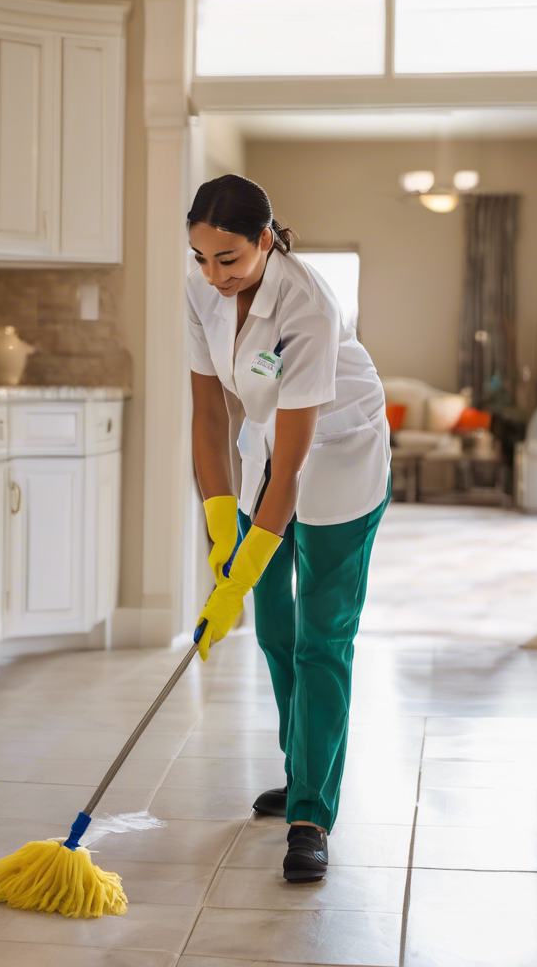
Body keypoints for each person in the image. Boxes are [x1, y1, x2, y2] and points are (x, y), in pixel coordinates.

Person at [186, 174, 391, 882]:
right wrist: (220, 530)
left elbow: (294, 474)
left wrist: (234, 578)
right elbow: (210, 415)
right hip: (266, 448)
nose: (214, 276)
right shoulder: (202, 290)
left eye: (230, 261)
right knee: (274, 628)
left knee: (320, 637)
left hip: (338, 452)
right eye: (201, 258)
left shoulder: (306, 303)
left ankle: (311, 812)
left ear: (266, 241)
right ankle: (302, 764)